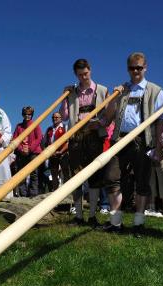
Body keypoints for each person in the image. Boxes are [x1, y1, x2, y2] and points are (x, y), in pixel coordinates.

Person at [102, 52, 163, 236]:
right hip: (120, 138)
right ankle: (116, 223)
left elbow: (161, 121)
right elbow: (108, 117)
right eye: (132, 68)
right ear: (128, 69)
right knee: (112, 177)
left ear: (145, 68)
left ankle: (138, 224)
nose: (135, 71)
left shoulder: (156, 91)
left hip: (143, 140)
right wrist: (114, 98)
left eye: (139, 67)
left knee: (142, 181)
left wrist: (159, 147)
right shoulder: (122, 90)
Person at [60, 59, 108, 227]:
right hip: (76, 137)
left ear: (90, 71)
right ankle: (79, 216)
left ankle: (93, 215)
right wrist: (64, 97)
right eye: (80, 75)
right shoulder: (71, 92)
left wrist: (100, 123)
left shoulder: (102, 90)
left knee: (95, 176)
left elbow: (108, 116)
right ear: (76, 75)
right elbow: (65, 117)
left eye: (86, 74)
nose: (83, 77)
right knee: (76, 176)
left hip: (94, 136)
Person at [12, 106, 43, 197]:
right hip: (21, 153)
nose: (27, 116)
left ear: (32, 115)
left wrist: (29, 148)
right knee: (21, 173)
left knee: (33, 173)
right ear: (22, 114)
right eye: (25, 114)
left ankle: (33, 193)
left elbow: (39, 138)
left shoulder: (35, 124)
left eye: (29, 114)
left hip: (33, 152)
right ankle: (23, 194)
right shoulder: (19, 126)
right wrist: (21, 149)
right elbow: (15, 138)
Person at [44, 112, 70, 191]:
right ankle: (55, 191)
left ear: (61, 118)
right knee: (54, 174)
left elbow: (68, 142)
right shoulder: (49, 129)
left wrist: (61, 151)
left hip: (63, 153)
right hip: (53, 155)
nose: (54, 119)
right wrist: (49, 152)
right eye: (53, 117)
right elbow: (45, 142)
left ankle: (67, 191)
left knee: (65, 173)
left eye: (56, 117)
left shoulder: (65, 127)